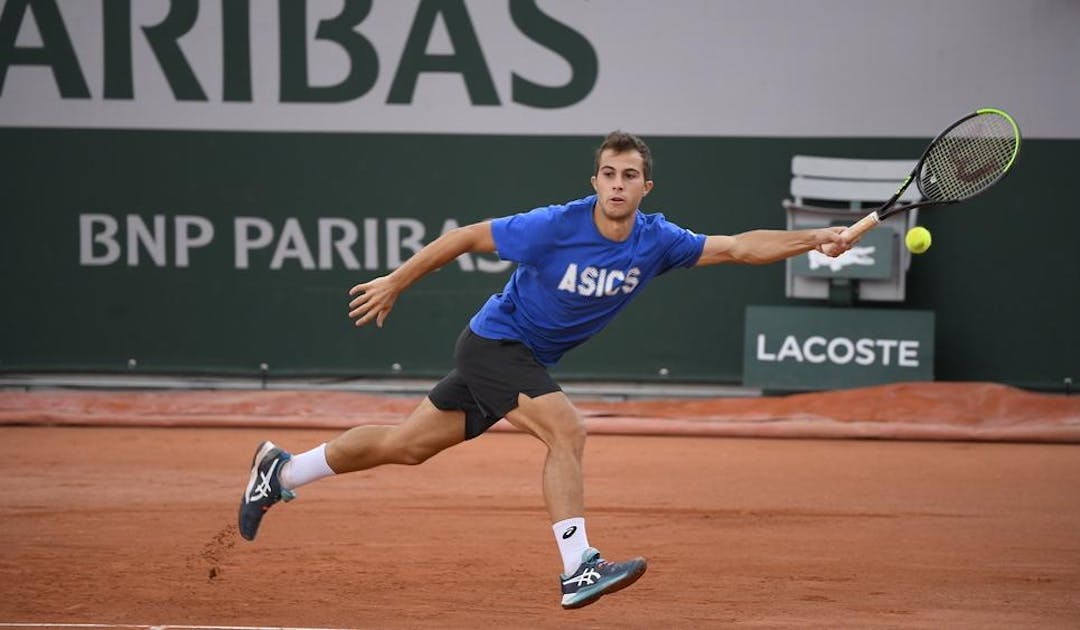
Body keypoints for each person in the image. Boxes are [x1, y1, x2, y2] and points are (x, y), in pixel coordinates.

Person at [238, 131, 851, 609]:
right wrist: (397, 282)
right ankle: (577, 563)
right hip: (493, 346)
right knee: (567, 430)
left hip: (517, 359)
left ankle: (283, 470)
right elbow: (462, 237)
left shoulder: (658, 241)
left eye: (629, 176)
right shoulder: (556, 225)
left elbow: (740, 246)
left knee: (405, 446)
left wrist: (816, 236)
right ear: (595, 180)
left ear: (646, 188)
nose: (617, 185)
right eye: (608, 174)